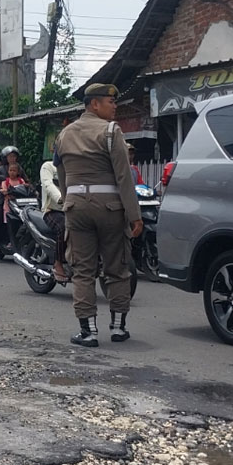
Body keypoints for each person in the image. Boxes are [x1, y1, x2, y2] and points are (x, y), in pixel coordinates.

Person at [55, 83, 143, 347]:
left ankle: (88, 331)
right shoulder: (111, 131)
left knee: (83, 271)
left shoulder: (64, 135)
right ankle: (118, 328)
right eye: (110, 101)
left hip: (76, 206)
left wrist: (68, 199)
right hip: (110, 207)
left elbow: (61, 174)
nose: (114, 106)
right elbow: (123, 176)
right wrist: (133, 214)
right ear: (94, 104)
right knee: (116, 268)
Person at [40, 153, 67, 283]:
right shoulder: (48, 167)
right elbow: (48, 185)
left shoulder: (74, 169)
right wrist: (61, 198)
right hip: (52, 211)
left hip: (73, 210)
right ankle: (58, 263)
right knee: (64, 227)